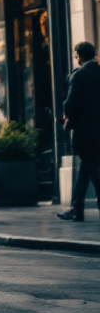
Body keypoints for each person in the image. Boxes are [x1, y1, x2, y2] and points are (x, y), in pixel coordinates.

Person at [61, 42, 100, 222]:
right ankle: (77, 208)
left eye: (76, 55)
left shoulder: (79, 75)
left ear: (79, 56)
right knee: (86, 169)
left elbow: (70, 104)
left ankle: (77, 209)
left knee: (94, 171)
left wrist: (67, 116)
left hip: (86, 132)